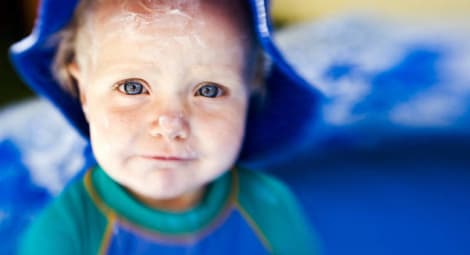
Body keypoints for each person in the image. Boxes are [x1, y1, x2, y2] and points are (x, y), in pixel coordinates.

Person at [11, 0, 322, 254]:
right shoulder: (66, 236)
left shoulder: (270, 204)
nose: (170, 125)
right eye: (132, 87)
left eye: (209, 90)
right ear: (84, 92)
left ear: (250, 92)